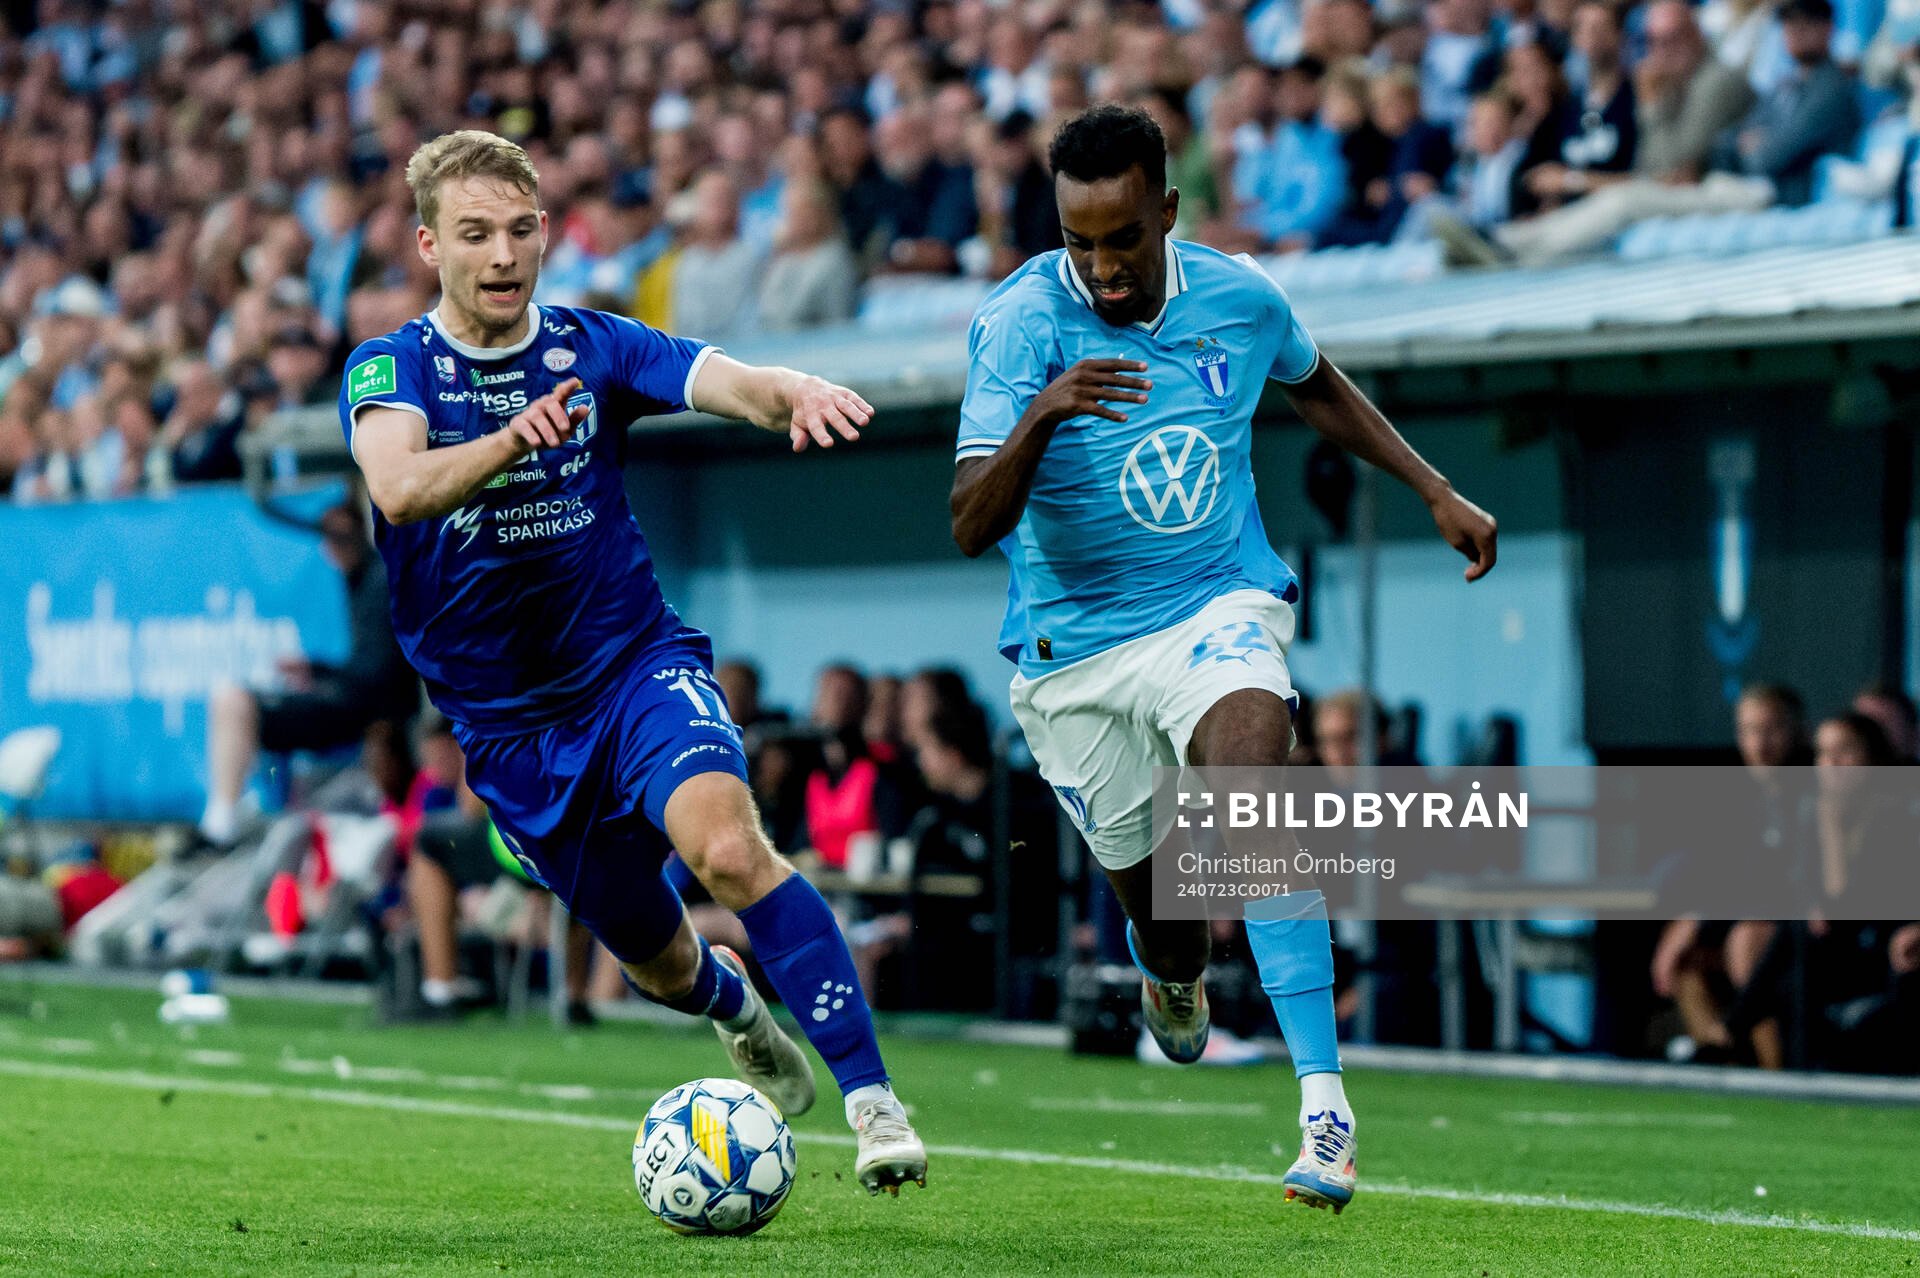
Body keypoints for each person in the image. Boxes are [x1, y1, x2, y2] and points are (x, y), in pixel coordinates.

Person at [337, 130, 925, 1194]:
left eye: (521, 229)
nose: (503, 253)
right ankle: (732, 1006)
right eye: (475, 234)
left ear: (547, 233)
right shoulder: (393, 368)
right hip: (512, 731)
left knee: (730, 850)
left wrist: (788, 391)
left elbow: (716, 375)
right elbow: (399, 489)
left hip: (632, 665)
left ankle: (874, 1103)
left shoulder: (589, 342)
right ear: (431, 244)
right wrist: (515, 439)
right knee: (656, 962)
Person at [948, 105, 1498, 1214]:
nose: (1101, 266)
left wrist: (1432, 486)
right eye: (1080, 241)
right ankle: (1174, 971)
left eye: (1123, 239)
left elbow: (1315, 381)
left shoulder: (1240, 297)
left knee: (1253, 789)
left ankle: (1325, 1106)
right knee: (1166, 916)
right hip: (1075, 656)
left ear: (1168, 210)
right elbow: (968, 522)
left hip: (1215, 602)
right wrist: (1045, 415)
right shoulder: (1018, 327)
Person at [198, 500, 419, 846]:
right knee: (231, 698)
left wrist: (317, 672)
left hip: (361, 710)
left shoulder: (378, 580)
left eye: (341, 537)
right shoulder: (359, 579)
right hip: (351, 701)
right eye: (329, 538)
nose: (333, 547)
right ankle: (232, 807)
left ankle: (222, 820)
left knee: (234, 702)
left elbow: (380, 675)